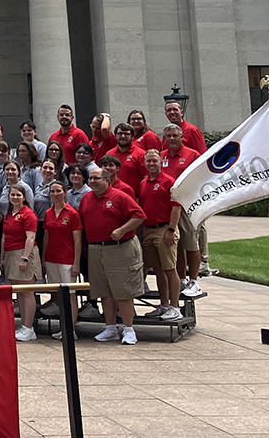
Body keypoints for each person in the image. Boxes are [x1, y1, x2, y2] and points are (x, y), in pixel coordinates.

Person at [81, 170, 146, 345]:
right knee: (104, 291)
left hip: (120, 249)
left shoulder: (119, 196)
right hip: (96, 249)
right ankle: (110, 328)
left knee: (123, 291)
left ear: (107, 180)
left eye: (97, 178)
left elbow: (139, 215)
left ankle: (129, 329)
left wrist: (122, 229)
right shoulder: (86, 198)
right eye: (91, 178)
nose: (93, 181)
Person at [139, 149, 184, 321]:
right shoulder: (144, 183)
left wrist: (171, 230)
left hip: (165, 229)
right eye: (148, 161)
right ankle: (164, 305)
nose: (151, 164)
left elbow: (176, 207)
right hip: (149, 230)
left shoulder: (169, 182)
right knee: (157, 269)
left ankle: (175, 306)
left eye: (154, 161)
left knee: (170, 269)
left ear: (161, 162)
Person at [161, 123, 204, 299]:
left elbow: (201, 178)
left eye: (174, 135)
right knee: (174, 245)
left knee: (190, 243)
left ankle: (194, 280)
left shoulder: (192, 155)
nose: (171, 138)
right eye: (168, 136)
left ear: (181, 138)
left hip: (186, 205)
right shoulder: (161, 156)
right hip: (168, 206)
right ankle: (182, 279)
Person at [41, 180, 83, 339]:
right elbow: (46, 237)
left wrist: (76, 263)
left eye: (58, 191)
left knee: (70, 294)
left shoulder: (72, 213)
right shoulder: (48, 213)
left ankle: (70, 329)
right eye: (52, 191)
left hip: (67, 259)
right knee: (58, 294)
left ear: (65, 192)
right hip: (52, 258)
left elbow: (77, 240)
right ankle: (62, 326)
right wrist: (44, 259)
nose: (55, 194)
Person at [3, 185, 41, 341]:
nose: (15, 197)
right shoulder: (9, 213)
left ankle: (29, 327)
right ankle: (24, 325)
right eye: (12, 194)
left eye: (18, 195)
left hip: (23, 253)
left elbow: (30, 238)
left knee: (27, 291)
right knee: (19, 291)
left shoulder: (28, 214)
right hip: (11, 253)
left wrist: (24, 258)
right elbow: (4, 236)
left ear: (24, 197)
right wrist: (3, 257)